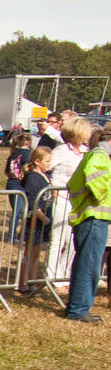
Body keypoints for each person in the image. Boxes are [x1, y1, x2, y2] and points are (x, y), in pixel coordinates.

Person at [63, 130, 111, 322]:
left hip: (91, 216)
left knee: (85, 264)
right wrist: (101, 194)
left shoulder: (95, 154)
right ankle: (78, 309)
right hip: (93, 216)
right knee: (89, 266)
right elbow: (94, 178)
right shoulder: (99, 156)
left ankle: (78, 306)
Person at [46, 117, 92, 282]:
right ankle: (52, 276)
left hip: (78, 200)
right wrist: (52, 184)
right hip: (62, 197)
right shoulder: (61, 151)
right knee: (58, 238)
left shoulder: (86, 152)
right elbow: (46, 167)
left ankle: (65, 275)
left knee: (73, 241)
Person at [17, 147, 54, 296]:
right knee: (29, 253)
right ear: (37, 161)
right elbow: (32, 201)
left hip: (42, 222)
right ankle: (22, 282)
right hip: (34, 220)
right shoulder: (33, 177)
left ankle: (31, 282)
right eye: (47, 161)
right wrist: (42, 217)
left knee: (36, 254)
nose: (49, 164)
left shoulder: (45, 175)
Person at [4, 132, 32, 243]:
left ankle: (16, 234)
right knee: (18, 211)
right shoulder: (28, 154)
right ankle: (12, 236)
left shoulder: (13, 154)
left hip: (11, 183)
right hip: (20, 185)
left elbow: (6, 171)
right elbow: (28, 168)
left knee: (17, 211)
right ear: (29, 142)